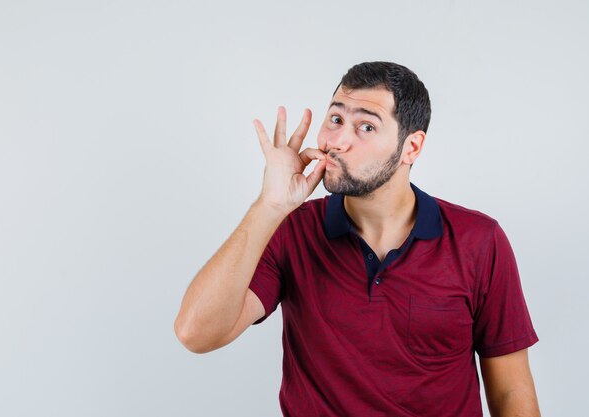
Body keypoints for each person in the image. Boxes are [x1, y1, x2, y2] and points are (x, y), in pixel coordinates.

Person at [174, 61, 540, 417]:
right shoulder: (291, 231)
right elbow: (196, 333)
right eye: (336, 119)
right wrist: (269, 205)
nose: (338, 141)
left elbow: (510, 391)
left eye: (365, 127)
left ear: (411, 148)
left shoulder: (478, 241)